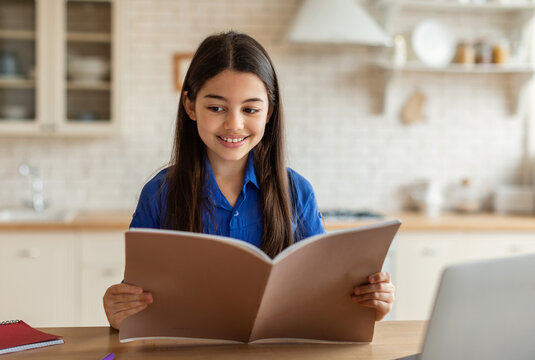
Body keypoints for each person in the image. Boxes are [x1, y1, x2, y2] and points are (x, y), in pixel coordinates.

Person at [103, 31, 395, 330]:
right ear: (190, 106)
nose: (234, 124)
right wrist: (118, 313)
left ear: (269, 111)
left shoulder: (297, 192)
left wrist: (369, 306)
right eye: (216, 108)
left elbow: (324, 302)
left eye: (250, 109)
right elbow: (135, 309)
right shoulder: (159, 193)